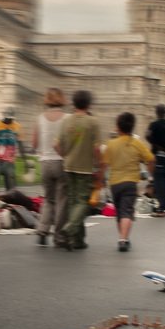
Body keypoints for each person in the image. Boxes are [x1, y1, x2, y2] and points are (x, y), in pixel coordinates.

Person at [101, 112, 155, 252]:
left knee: (119, 212)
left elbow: (104, 164)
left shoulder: (111, 144)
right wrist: (150, 174)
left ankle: (123, 236)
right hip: (130, 182)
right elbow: (151, 159)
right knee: (127, 211)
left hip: (114, 183)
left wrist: (100, 180)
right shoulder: (137, 143)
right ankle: (123, 239)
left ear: (118, 127)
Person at [56, 90, 101, 251]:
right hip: (85, 168)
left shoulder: (66, 121)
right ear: (88, 104)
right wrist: (98, 165)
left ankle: (78, 240)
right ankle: (69, 229)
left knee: (73, 202)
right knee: (82, 202)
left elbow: (56, 145)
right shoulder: (93, 122)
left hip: (68, 166)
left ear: (74, 103)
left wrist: (65, 156)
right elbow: (96, 148)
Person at [33, 88, 68, 247]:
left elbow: (34, 143)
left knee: (48, 199)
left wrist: (42, 149)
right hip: (61, 162)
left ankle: (42, 230)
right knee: (62, 200)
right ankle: (59, 236)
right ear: (62, 99)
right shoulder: (67, 118)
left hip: (45, 162)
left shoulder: (40, 118)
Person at [145, 103, 165, 217]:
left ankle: (161, 209)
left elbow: (147, 136)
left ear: (157, 112)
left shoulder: (154, 124)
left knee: (159, 183)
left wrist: (155, 144)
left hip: (158, 155)